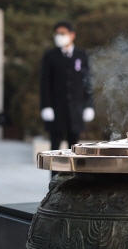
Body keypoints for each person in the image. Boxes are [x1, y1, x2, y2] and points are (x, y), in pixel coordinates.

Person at [40, 20, 95, 155]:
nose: (59, 36)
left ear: (72, 35)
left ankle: (73, 176)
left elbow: (87, 82)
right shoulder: (50, 56)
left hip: (76, 109)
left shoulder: (81, 55)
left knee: (74, 149)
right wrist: (46, 106)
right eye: (57, 34)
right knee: (54, 147)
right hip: (56, 110)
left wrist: (89, 105)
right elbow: (44, 83)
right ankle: (54, 176)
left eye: (62, 33)